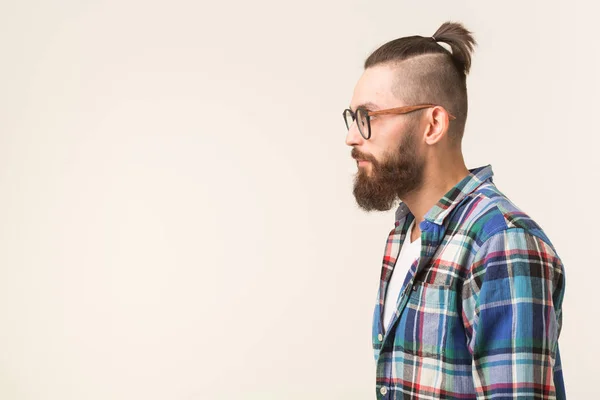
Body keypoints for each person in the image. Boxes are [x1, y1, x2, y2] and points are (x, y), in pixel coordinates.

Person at [343, 21, 566, 399]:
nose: (351, 137)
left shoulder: (502, 244)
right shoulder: (405, 233)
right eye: (352, 119)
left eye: (369, 118)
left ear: (432, 124)